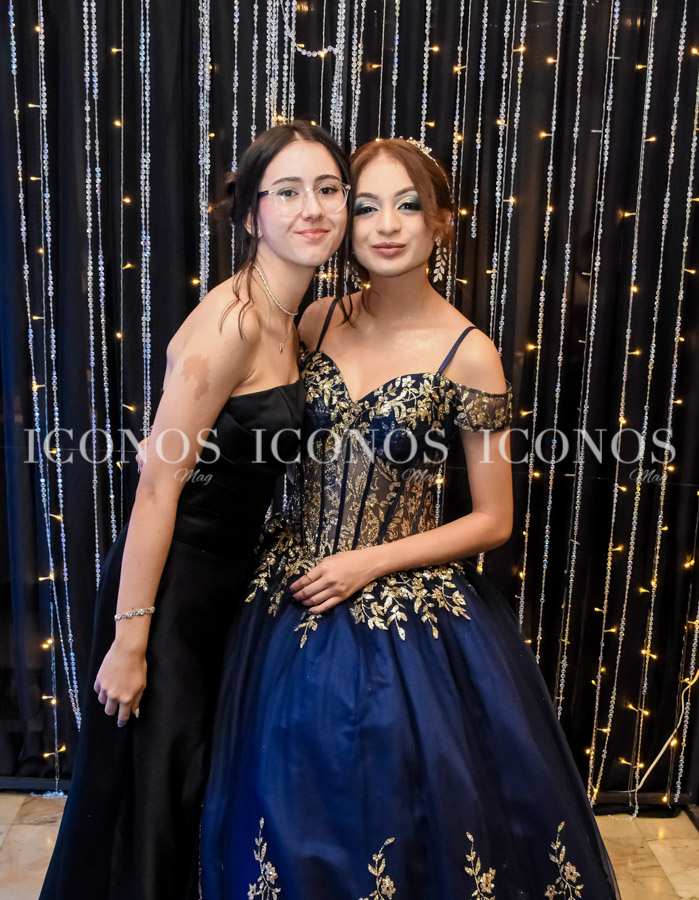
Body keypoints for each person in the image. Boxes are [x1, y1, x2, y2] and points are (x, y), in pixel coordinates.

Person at [199, 137, 619, 899]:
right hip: (287, 593)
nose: (386, 225)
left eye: (408, 206)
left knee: (406, 800)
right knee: (285, 800)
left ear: (440, 223)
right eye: (364, 207)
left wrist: (367, 561)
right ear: (343, 222)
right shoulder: (313, 319)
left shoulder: (469, 351)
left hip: (406, 606)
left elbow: (491, 520)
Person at [40, 121, 350, 900]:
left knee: (196, 797)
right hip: (170, 593)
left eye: (327, 189)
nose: (312, 208)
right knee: (155, 804)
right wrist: (130, 641)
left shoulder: (293, 316)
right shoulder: (230, 323)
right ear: (249, 215)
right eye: (287, 192)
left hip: (226, 588)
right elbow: (156, 487)